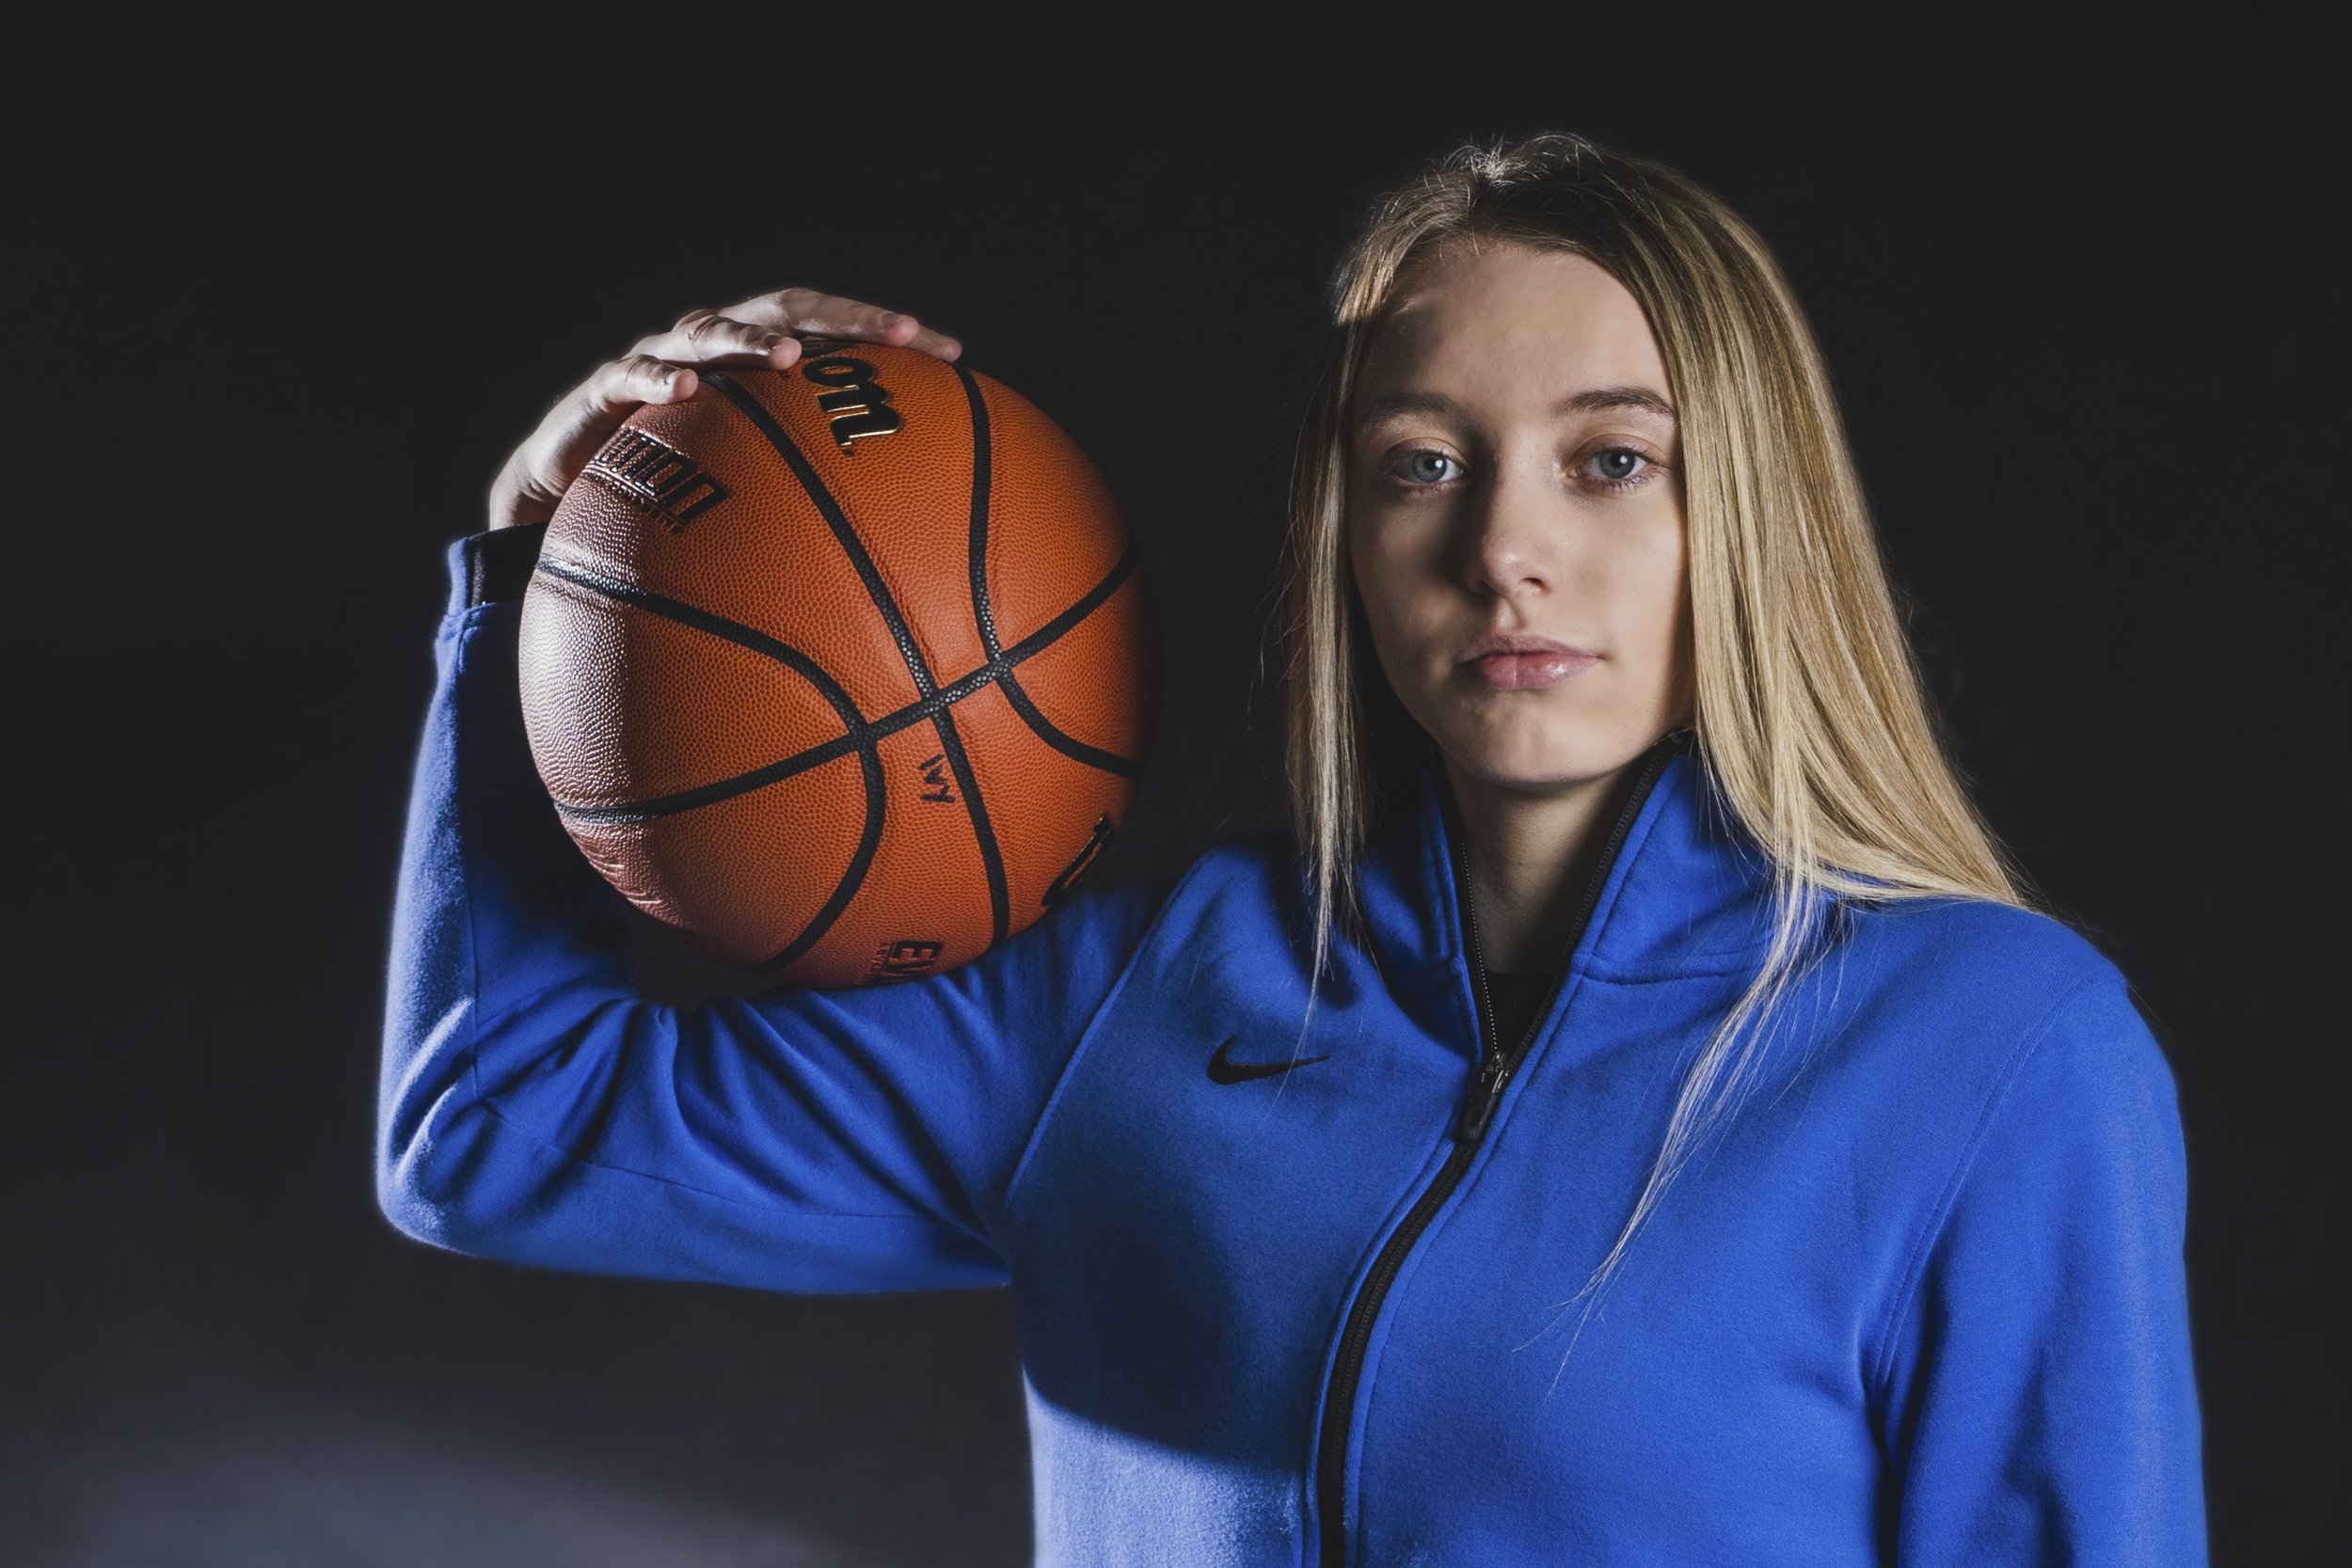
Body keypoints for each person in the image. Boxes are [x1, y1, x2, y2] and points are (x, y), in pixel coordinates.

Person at [376, 133, 2207, 1565]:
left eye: (1609, 460)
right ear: (1341, 527)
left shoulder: (1990, 1054)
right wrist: (540, 584)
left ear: (1752, 507)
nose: (1503, 548)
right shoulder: (1134, 1004)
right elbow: (491, 1133)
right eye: (1420, 462)